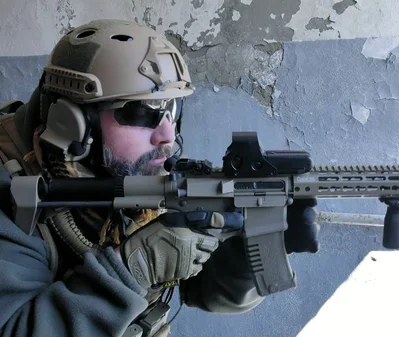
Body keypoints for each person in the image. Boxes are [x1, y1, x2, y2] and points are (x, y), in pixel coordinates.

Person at [0, 19, 320, 337]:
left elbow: (208, 293)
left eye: (171, 110)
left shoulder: (135, 167)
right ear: (71, 120)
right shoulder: (12, 189)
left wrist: (249, 249)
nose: (167, 134)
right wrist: (136, 266)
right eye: (144, 113)